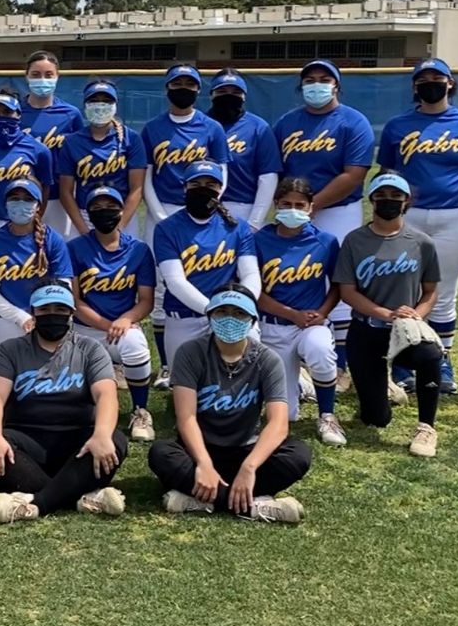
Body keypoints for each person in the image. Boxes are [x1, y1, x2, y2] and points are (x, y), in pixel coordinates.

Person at [147, 285, 311, 523]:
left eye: (239, 313)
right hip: (200, 449)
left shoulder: (267, 359)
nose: (230, 319)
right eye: (222, 311)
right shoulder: (190, 353)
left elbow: (278, 423)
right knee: (161, 453)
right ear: (210, 316)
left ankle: (203, 500)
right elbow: (186, 418)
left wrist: (249, 467)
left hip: (247, 448)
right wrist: (204, 463)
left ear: (252, 320)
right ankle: (252, 506)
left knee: (298, 454)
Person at [378, 58, 458, 395]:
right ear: (414, 86)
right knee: (404, 290)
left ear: (450, 83)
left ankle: (441, 361)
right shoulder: (398, 125)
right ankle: (403, 358)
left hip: (454, 216)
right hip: (408, 216)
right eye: (423, 78)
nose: (430, 82)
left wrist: (446, 188)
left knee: (443, 292)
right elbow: (387, 172)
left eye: (437, 77)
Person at [0, 281, 128, 523]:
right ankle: (80, 496)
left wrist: (101, 434)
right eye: (45, 309)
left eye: (60, 309)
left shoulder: (90, 349)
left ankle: (38, 503)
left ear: (71, 313)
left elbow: (106, 395)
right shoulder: (10, 350)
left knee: (115, 440)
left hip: (78, 441)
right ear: (33, 312)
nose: (52, 315)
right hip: (27, 440)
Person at [273, 59, 375, 386]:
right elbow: (275, 170)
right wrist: (294, 206)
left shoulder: (353, 121)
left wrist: (312, 205)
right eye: (309, 79)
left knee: (340, 277)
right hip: (294, 208)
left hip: (338, 209)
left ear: (336, 85)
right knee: (292, 272)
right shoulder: (287, 122)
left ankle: (340, 364)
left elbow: (354, 174)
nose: (316, 84)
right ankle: (300, 351)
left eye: (324, 79)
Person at [334, 173, 444, 457]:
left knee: (431, 356)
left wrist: (415, 316)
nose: (389, 201)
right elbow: (347, 291)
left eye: (396, 196)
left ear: (406, 201)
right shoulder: (355, 240)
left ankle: (426, 427)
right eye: (381, 195)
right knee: (376, 419)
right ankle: (386, 387)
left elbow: (430, 292)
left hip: (405, 332)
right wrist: (385, 313)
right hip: (366, 330)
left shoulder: (421, 242)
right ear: (372, 200)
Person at [140, 64, 229, 371]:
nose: (183, 89)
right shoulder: (153, 128)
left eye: (189, 84)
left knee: (205, 272)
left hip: (201, 209)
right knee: (161, 286)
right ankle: (166, 365)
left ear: (198, 89)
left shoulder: (211, 127)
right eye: (177, 83)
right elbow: (146, 176)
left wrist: (210, 205)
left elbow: (221, 173)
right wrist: (159, 214)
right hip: (162, 210)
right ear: (167, 88)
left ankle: (217, 350)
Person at [253, 178, 345, 446]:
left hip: (310, 324)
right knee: (288, 414)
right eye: (286, 204)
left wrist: (323, 312)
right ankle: (302, 384)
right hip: (273, 325)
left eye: (300, 205)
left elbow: (338, 284)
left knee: (320, 350)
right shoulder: (260, 240)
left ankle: (327, 415)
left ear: (311, 207)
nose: (293, 210)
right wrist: (291, 314)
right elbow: (254, 291)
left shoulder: (325, 241)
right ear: (276, 204)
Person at [151, 161, 260, 381]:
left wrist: (240, 306)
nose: (203, 189)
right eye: (195, 184)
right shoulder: (166, 228)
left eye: (210, 185)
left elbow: (250, 273)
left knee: (243, 378)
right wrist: (213, 310)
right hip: (185, 316)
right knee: (184, 383)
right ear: (185, 188)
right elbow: (175, 281)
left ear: (220, 189)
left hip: (230, 312)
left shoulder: (237, 226)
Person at [67, 186, 157, 441]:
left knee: (136, 345)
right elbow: (74, 301)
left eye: (110, 207)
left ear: (121, 210)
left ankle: (140, 411)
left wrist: (126, 319)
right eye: (96, 208)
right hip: (85, 326)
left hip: (122, 325)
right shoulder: (75, 248)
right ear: (88, 213)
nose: (103, 212)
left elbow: (147, 301)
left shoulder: (138, 249)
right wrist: (109, 325)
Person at [0, 178, 72, 352]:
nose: (20, 203)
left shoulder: (53, 240)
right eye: (14, 198)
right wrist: (20, 317)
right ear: (6, 204)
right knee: (6, 366)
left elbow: (64, 286)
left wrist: (45, 313)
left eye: (28, 199)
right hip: (8, 317)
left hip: (48, 316)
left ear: (38, 206)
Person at [57, 79, 146, 236]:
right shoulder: (72, 142)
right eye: (94, 100)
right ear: (85, 105)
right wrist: (83, 229)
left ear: (115, 105)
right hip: (85, 214)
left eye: (106, 100)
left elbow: (137, 188)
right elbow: (66, 192)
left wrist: (120, 227)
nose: (100, 105)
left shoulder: (131, 138)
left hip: (121, 213)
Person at [0, 89, 53, 235]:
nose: (1, 117)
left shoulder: (38, 150)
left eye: (7, 112)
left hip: (24, 223)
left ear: (18, 114)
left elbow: (44, 188)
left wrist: (35, 218)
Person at [206, 70, 282, 230]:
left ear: (244, 96)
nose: (229, 96)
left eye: (236, 92)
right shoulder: (199, 124)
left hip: (243, 208)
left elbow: (268, 177)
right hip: (201, 205)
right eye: (222, 91)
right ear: (211, 95)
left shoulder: (259, 127)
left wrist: (255, 222)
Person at [20, 50, 84, 239]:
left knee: (57, 246)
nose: (42, 80)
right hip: (23, 194)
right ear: (26, 76)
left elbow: (80, 155)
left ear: (57, 76)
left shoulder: (70, 114)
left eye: (48, 75)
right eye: (36, 75)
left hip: (59, 197)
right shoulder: (14, 112)